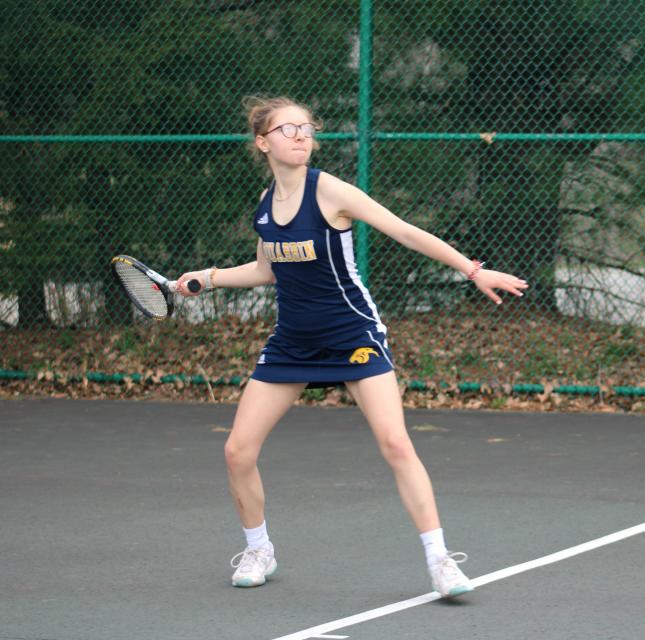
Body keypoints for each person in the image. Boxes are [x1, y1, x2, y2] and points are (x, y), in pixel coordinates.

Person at [176, 96, 528, 596]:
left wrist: (472, 270)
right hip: (293, 341)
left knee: (394, 442)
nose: (301, 136)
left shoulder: (332, 192)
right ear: (263, 142)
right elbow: (265, 270)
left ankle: (440, 560)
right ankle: (259, 548)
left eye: (306, 127)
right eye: (288, 129)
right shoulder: (265, 204)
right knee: (237, 450)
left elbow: (404, 231)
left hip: (351, 333)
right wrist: (207, 278)